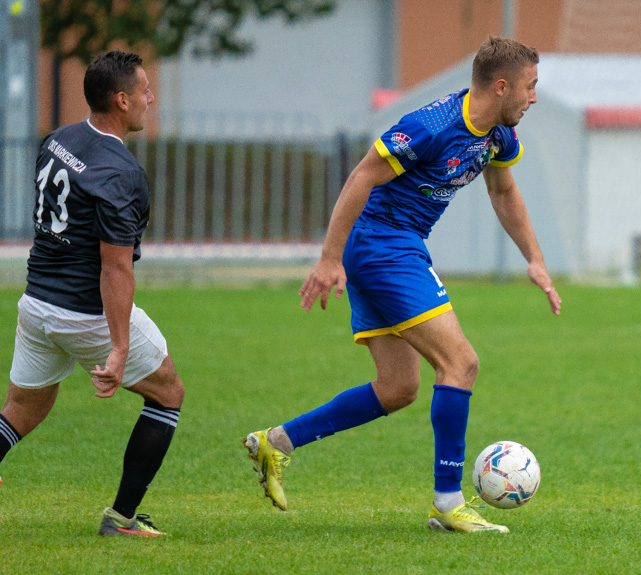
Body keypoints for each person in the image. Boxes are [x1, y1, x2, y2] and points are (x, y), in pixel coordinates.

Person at [244, 35, 561, 533]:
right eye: (530, 86)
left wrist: (535, 260)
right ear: (502, 87)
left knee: (397, 388)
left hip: (395, 246)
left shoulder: (499, 134)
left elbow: (504, 191)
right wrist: (329, 259)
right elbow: (361, 178)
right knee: (462, 363)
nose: (534, 97)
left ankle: (275, 443)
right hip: (381, 245)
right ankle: (448, 502)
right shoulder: (429, 127)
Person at [0, 51, 185, 538]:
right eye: (145, 90)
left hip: (36, 303)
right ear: (122, 101)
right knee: (167, 393)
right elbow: (115, 267)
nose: (151, 98)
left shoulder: (58, 139)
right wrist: (120, 347)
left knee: (23, 408)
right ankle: (122, 519)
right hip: (83, 312)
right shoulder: (120, 172)